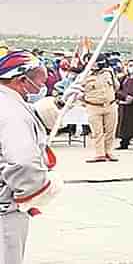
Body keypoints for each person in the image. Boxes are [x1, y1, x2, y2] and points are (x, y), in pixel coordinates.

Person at [0, 51, 69, 264]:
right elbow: (22, 161)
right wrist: (35, 192)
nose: (42, 86)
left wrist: (60, 103)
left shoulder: (8, 102)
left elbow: (34, 115)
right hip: (5, 210)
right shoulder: (11, 112)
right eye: (40, 80)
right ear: (22, 80)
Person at [81, 53, 120, 163]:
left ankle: (109, 152)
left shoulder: (109, 72)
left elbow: (116, 86)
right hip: (93, 106)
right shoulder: (84, 75)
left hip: (110, 105)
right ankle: (99, 154)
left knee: (110, 131)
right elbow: (79, 91)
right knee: (97, 132)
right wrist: (84, 102)